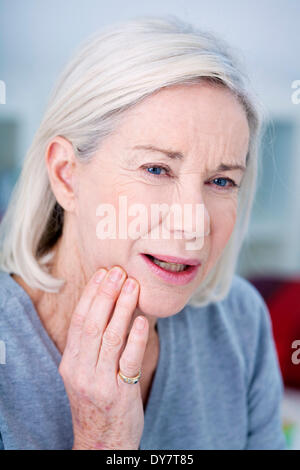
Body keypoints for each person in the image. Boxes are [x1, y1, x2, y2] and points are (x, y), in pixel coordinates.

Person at [0, 15, 287, 450]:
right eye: (156, 169)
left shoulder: (240, 324)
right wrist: (103, 439)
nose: (193, 223)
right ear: (66, 175)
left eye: (222, 181)